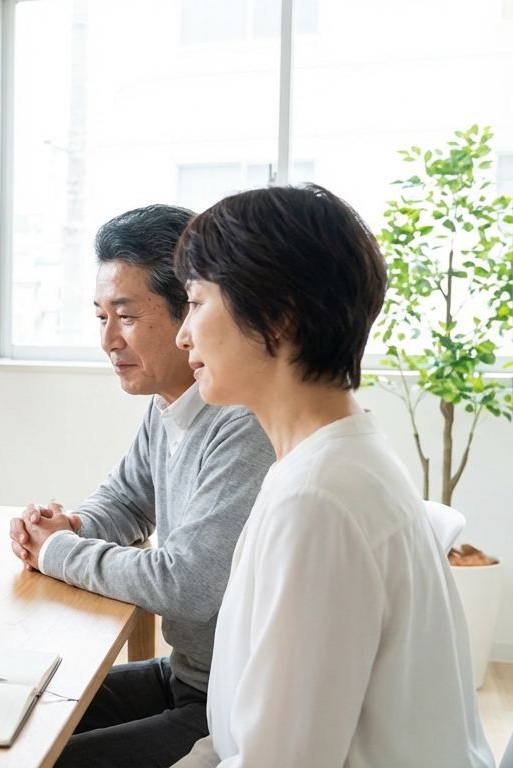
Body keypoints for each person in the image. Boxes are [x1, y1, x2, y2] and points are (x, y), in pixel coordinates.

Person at [170, 184, 493, 767]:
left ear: (278, 313)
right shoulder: (329, 459)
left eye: (195, 301)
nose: (182, 334)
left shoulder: (318, 498)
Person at [8, 205, 275, 767]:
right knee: (12, 703)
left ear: (190, 312)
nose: (108, 340)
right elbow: (128, 499)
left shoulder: (242, 420)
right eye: (100, 316)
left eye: (125, 317)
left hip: (223, 702)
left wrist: (56, 551)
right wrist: (70, 527)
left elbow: (189, 584)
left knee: (45, 756)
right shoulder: (169, 402)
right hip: (186, 673)